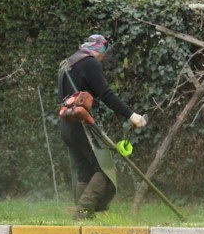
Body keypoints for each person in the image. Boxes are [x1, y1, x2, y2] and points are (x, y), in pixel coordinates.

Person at [58, 34, 148, 219]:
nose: (103, 59)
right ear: (99, 49)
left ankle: (83, 218)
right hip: (83, 125)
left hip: (67, 125)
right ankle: (82, 212)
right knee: (105, 171)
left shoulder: (67, 63)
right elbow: (106, 94)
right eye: (103, 54)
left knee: (84, 172)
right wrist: (132, 115)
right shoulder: (90, 62)